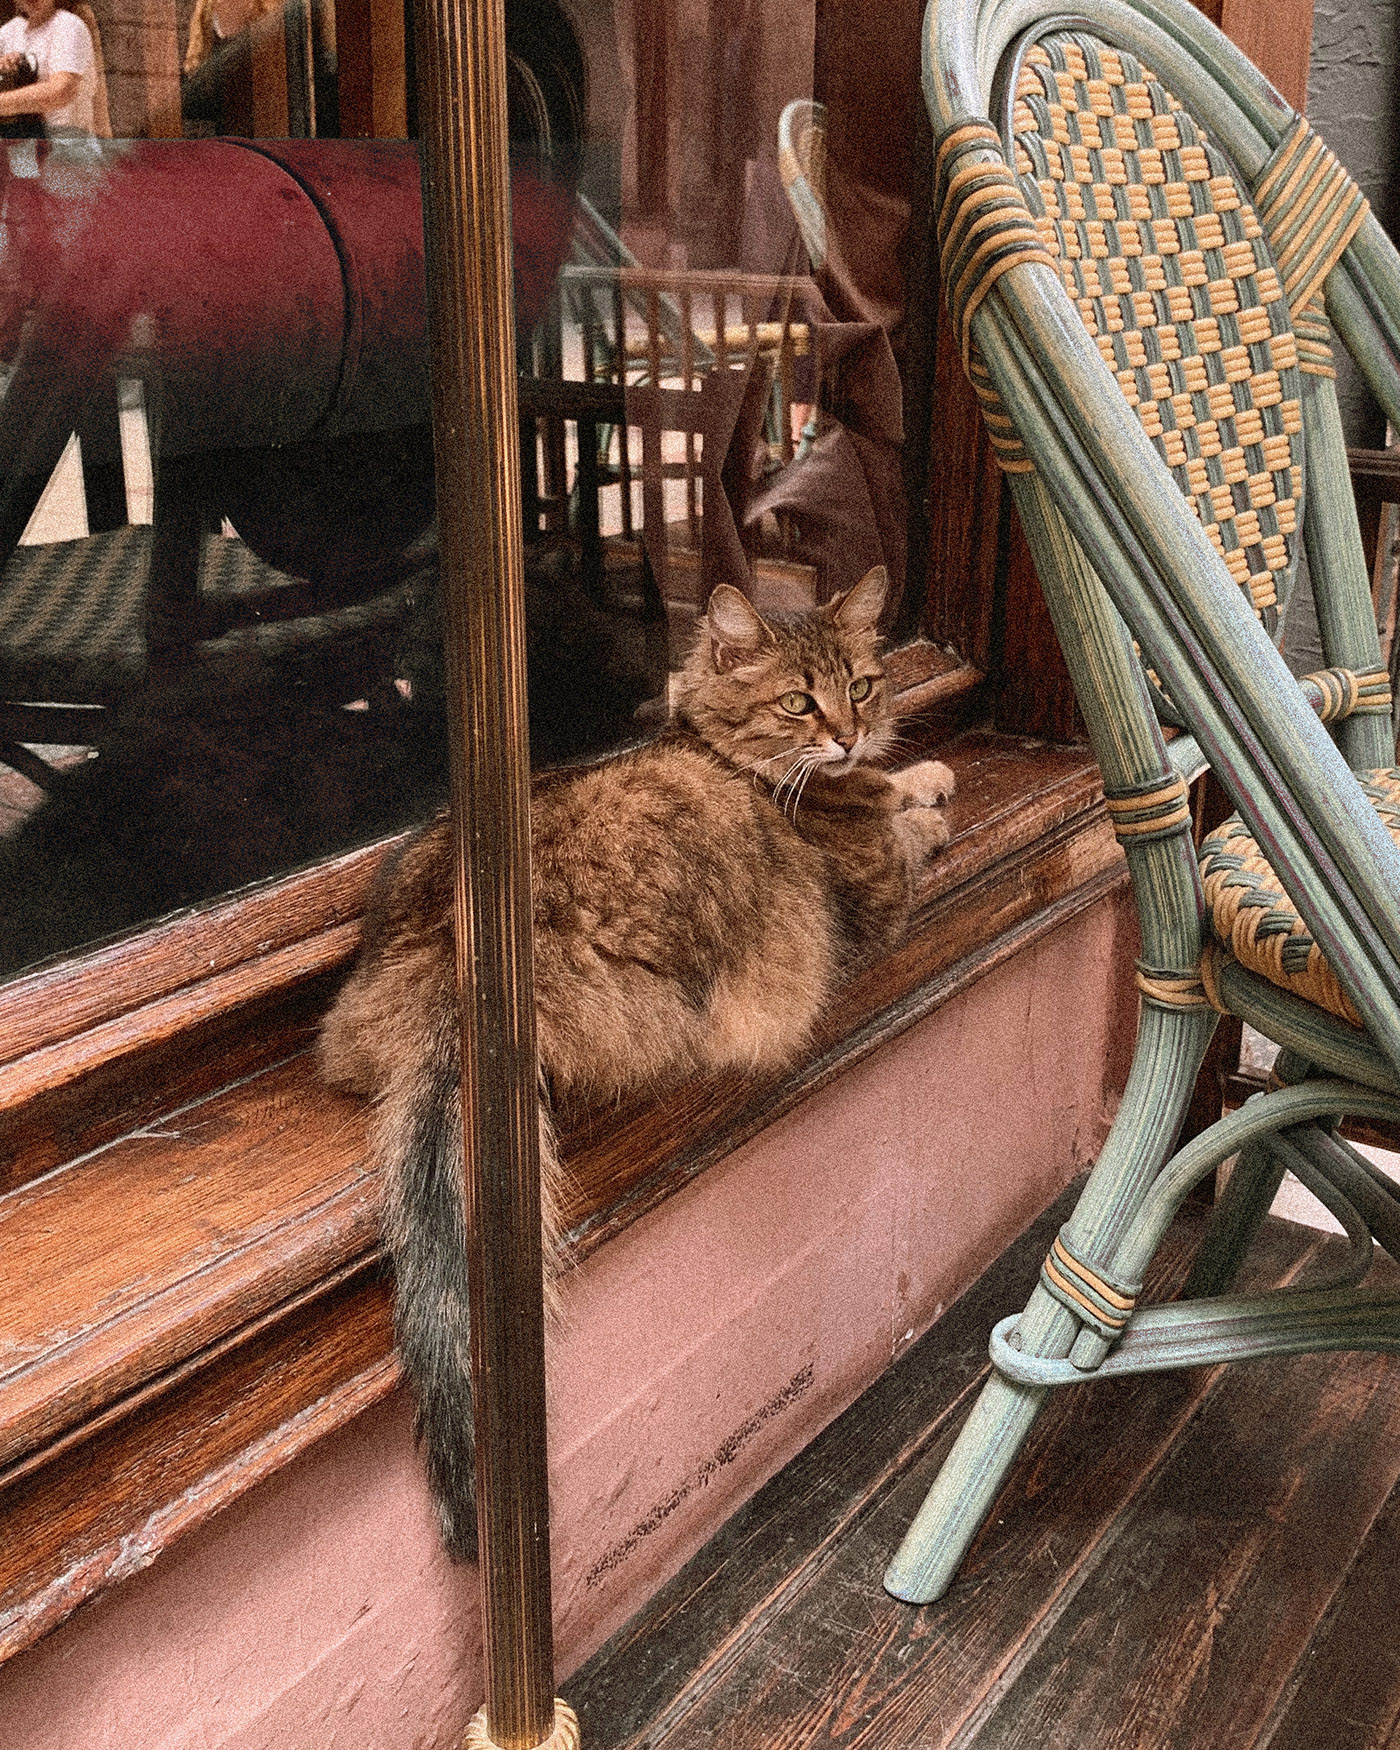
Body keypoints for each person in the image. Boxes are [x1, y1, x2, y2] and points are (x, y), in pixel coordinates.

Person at [0, 0, 95, 136]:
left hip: (65, 149)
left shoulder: (67, 25)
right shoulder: (13, 30)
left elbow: (61, 91)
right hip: (23, 150)